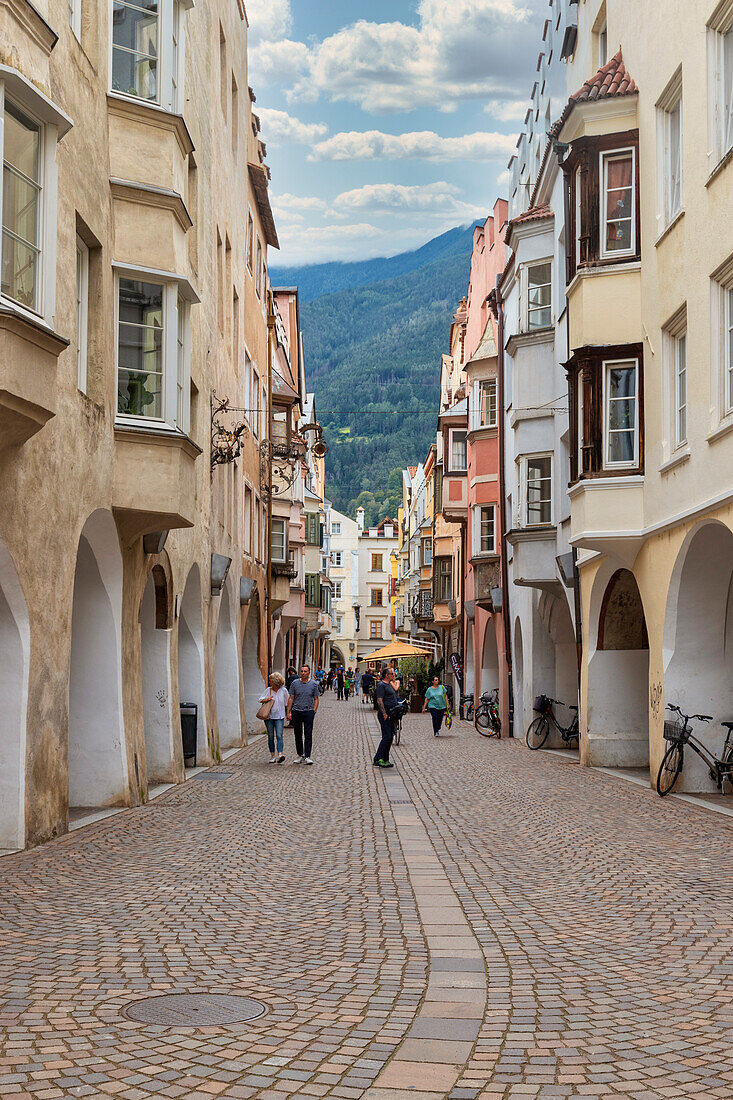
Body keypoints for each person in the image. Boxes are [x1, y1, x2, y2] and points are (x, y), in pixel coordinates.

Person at [286, 664, 319, 765]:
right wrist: (288, 711)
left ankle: (308, 756)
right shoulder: (295, 683)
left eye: (305, 671)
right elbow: (291, 697)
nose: (303, 673)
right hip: (297, 711)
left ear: (309, 673)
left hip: (308, 711)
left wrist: (314, 710)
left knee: (308, 734)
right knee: (298, 734)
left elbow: (316, 699)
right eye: (302, 671)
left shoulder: (313, 684)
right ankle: (300, 754)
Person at [259, 673, 290, 762]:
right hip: (269, 717)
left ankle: (280, 754)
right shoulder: (268, 690)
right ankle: (272, 755)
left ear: (276, 682)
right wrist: (267, 699)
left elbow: (287, 702)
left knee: (279, 735)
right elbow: (260, 699)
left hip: (279, 716)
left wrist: (289, 713)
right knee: (271, 736)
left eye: (271, 680)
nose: (269, 682)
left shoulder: (283, 691)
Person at [373, 667, 398, 769]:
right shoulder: (381, 685)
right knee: (387, 736)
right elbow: (379, 700)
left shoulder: (389, 685)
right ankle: (378, 758)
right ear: (387, 675)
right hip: (385, 714)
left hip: (392, 713)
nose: (393, 675)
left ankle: (385, 758)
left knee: (390, 737)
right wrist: (384, 713)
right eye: (392, 674)